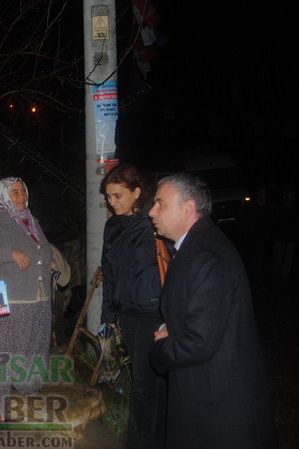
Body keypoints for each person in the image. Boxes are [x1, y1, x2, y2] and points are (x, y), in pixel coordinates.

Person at [149, 173, 275, 449]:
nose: (151, 211)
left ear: (188, 208)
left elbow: (199, 342)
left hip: (217, 406)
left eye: (160, 204)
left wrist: (160, 348)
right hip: (205, 395)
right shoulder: (194, 247)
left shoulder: (206, 257)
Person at [0, 177, 53, 421]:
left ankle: (28, 387)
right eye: (14, 192)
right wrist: (9, 253)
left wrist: (51, 259)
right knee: (2, 351)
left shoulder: (32, 219)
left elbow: (43, 248)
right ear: (4, 196)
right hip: (5, 296)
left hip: (37, 296)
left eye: (23, 191)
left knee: (33, 346)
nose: (20, 196)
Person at [99, 163, 166, 449]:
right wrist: (108, 316)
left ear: (137, 192)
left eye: (117, 195)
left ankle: (143, 441)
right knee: (142, 382)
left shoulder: (155, 225)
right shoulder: (112, 226)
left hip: (153, 314)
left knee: (145, 385)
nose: (111, 202)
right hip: (126, 315)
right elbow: (109, 273)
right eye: (108, 197)